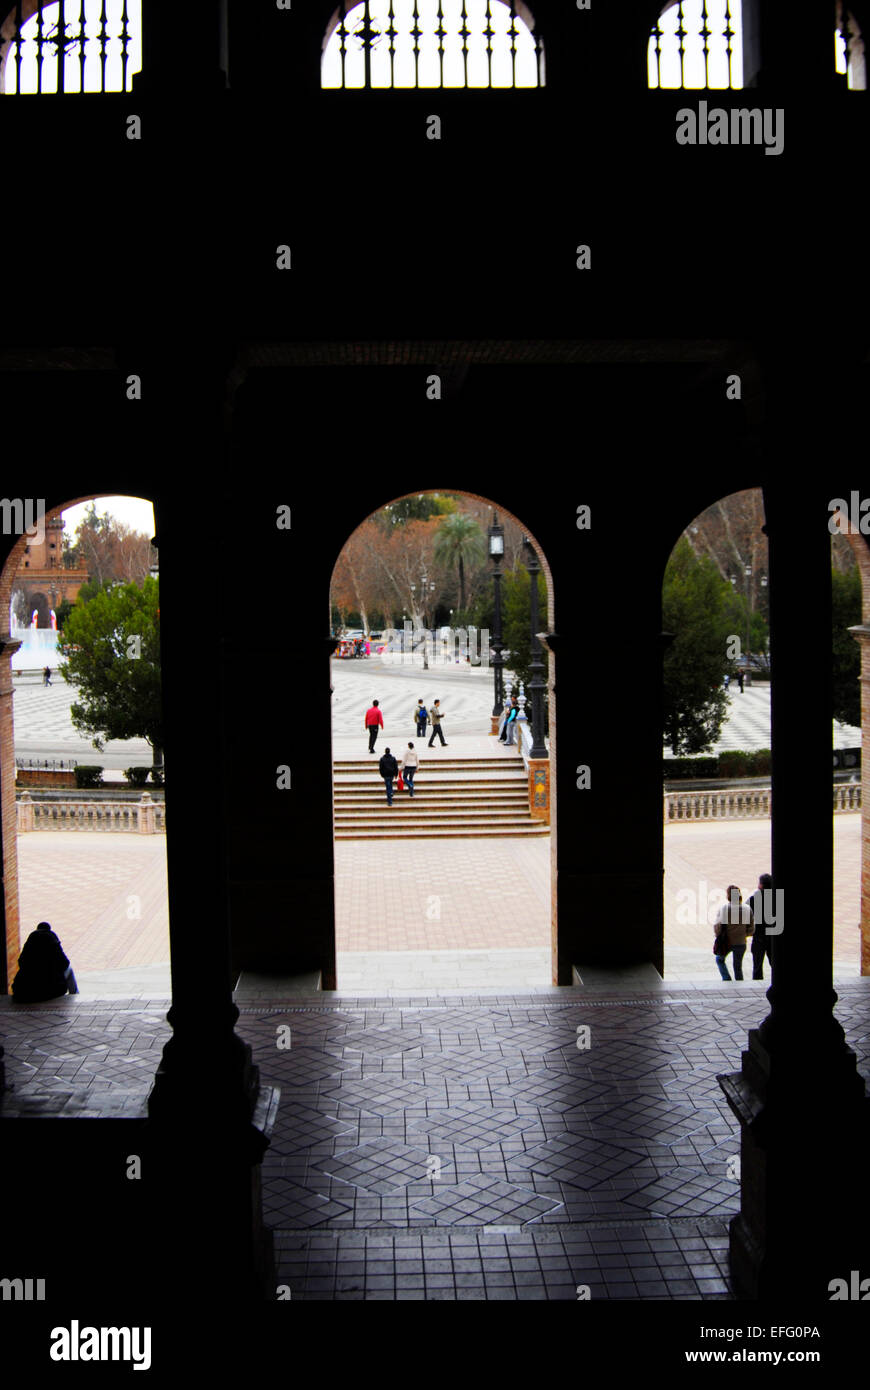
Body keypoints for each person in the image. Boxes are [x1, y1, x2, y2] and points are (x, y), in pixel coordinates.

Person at [11, 921, 77, 1002]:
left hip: (25, 991)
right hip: (51, 990)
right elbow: (65, 963)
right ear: (49, 930)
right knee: (69, 970)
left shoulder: (31, 940)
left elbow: (21, 962)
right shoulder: (52, 939)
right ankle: (74, 996)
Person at [713, 885, 754, 982]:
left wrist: (718, 935)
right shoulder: (747, 909)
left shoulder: (724, 909)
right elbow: (751, 928)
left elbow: (718, 926)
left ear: (728, 896)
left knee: (719, 960)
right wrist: (744, 934)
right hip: (741, 942)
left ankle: (726, 978)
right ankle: (740, 983)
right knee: (738, 966)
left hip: (727, 942)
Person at [747, 872, 774, 980]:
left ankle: (757, 984)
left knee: (757, 966)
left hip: (758, 935)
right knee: (774, 963)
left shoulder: (754, 899)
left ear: (761, 885)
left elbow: (746, 914)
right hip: (773, 936)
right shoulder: (777, 898)